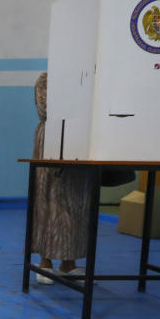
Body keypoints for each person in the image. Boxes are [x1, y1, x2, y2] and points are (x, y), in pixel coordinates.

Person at [31, 71, 94, 284]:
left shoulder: (86, 75)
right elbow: (46, 109)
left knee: (76, 202)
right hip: (52, 138)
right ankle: (44, 262)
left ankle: (69, 263)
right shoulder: (47, 79)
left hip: (78, 138)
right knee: (49, 198)